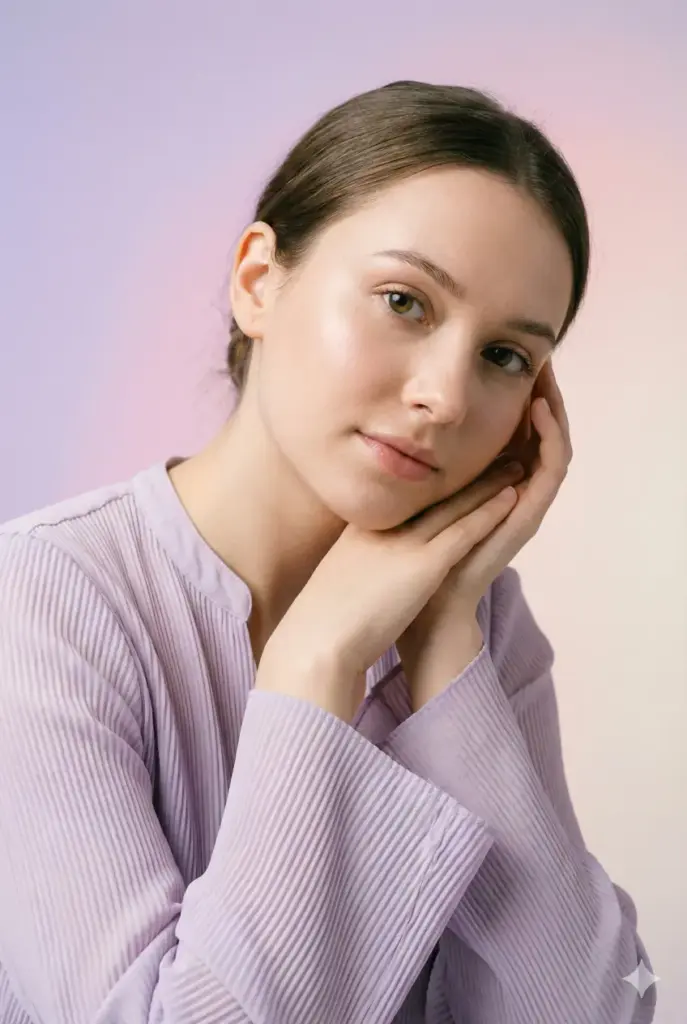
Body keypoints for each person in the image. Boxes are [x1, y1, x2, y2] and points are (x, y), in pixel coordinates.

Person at [0, 80, 656, 1023]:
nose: (444, 397)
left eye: (505, 356)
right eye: (404, 301)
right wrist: (315, 664)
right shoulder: (42, 600)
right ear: (258, 282)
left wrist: (443, 647)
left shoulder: (477, 622)